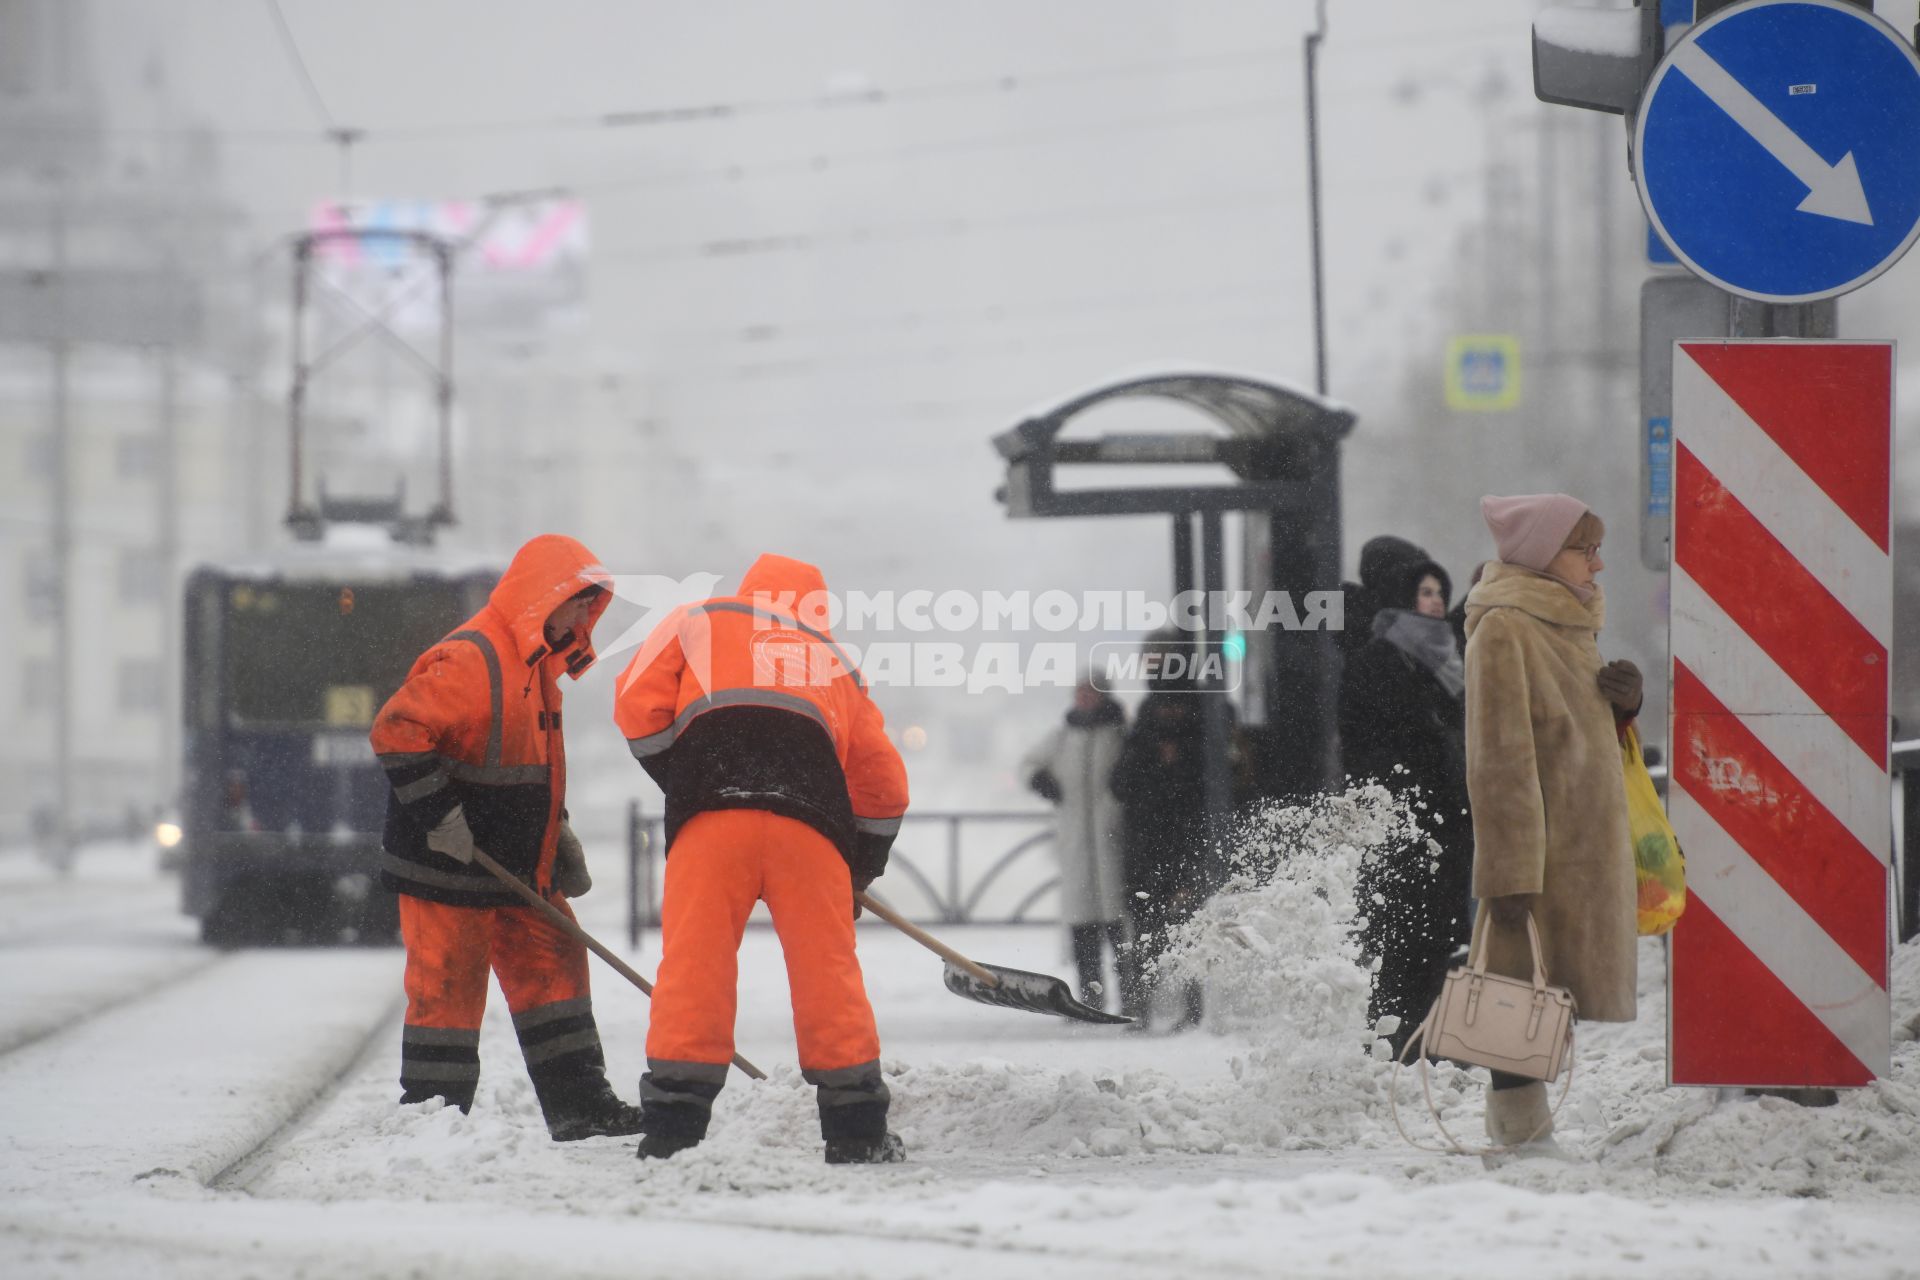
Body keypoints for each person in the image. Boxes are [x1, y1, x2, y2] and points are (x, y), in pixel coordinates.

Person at [614, 553, 910, 1164]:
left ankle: (674, 1124)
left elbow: (636, 704)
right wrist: (860, 868)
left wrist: (687, 774)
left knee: (694, 962)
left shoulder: (701, 616)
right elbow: (883, 787)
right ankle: (855, 1126)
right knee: (828, 971)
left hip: (712, 819)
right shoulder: (836, 662)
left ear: (749, 591)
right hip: (812, 826)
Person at [370, 534, 642, 1141]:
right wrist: (441, 818)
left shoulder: (537, 665)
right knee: (448, 989)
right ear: (542, 596)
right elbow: (397, 730)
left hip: (519, 868)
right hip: (447, 868)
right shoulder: (473, 658)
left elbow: (525, 765)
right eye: (578, 602)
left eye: (589, 606)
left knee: (556, 968)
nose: (583, 616)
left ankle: (581, 1106)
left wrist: (558, 832)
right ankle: (433, 1120)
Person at [1464, 495, 1642, 1151]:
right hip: (1535, 856)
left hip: (1577, 846)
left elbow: (1579, 736)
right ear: (1543, 555)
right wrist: (1507, 873)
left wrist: (1625, 706)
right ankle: (1518, 1138)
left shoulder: (1565, 624)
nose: (1598, 564)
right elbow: (1498, 759)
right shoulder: (1507, 627)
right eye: (1583, 549)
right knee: (1517, 995)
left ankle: (1524, 1135)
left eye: (1597, 548)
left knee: (1548, 991)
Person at [1339, 549, 1472, 1058]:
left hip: (1447, 819)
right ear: (1403, 598)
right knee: (1406, 935)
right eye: (1425, 593)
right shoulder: (1382, 659)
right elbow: (1387, 737)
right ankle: (1400, 1040)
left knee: (1437, 936)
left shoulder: (1440, 658)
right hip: (1403, 819)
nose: (1436, 602)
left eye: (1441, 592)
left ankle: (1430, 1038)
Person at [1109, 634, 1227, 1029]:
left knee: (1181, 921)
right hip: (1149, 837)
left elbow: (1206, 777)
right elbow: (1124, 779)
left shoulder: (1203, 708)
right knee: (1148, 922)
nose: (1151, 664)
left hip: (1179, 837)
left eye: (1159, 657)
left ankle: (1185, 1009)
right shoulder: (1150, 710)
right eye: (1149, 657)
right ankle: (1143, 1007)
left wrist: (1167, 766)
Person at [1021, 680, 1128, 1011]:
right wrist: (1042, 782)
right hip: (1076, 843)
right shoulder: (1063, 737)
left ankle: (1131, 998)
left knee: (1120, 927)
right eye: (1080, 693)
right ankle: (1090, 1001)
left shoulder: (1120, 735)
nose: (1085, 699)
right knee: (1083, 929)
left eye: (1091, 693)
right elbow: (1029, 765)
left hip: (1113, 842)